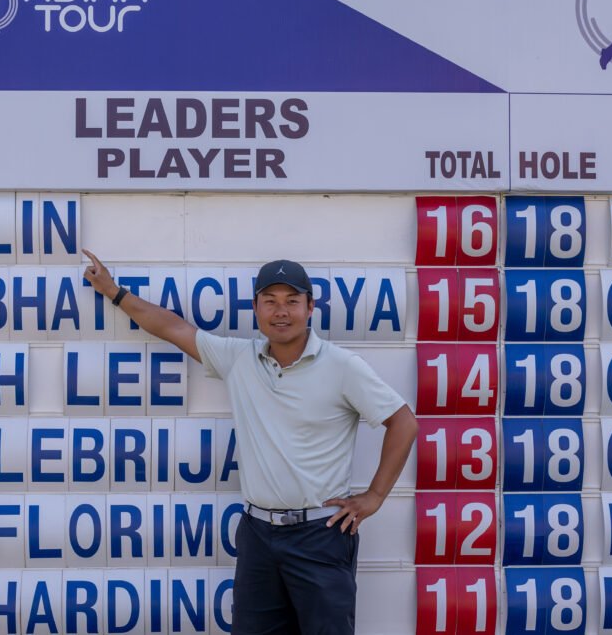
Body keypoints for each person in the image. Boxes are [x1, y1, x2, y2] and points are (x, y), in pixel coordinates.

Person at [83, 251, 418, 634]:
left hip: (320, 536)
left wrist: (374, 496)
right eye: (270, 301)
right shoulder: (238, 358)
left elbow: (403, 423)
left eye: (292, 301)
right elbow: (172, 328)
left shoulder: (342, 366)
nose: (281, 311)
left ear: (310, 307)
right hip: (258, 535)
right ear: (255, 308)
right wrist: (113, 291)